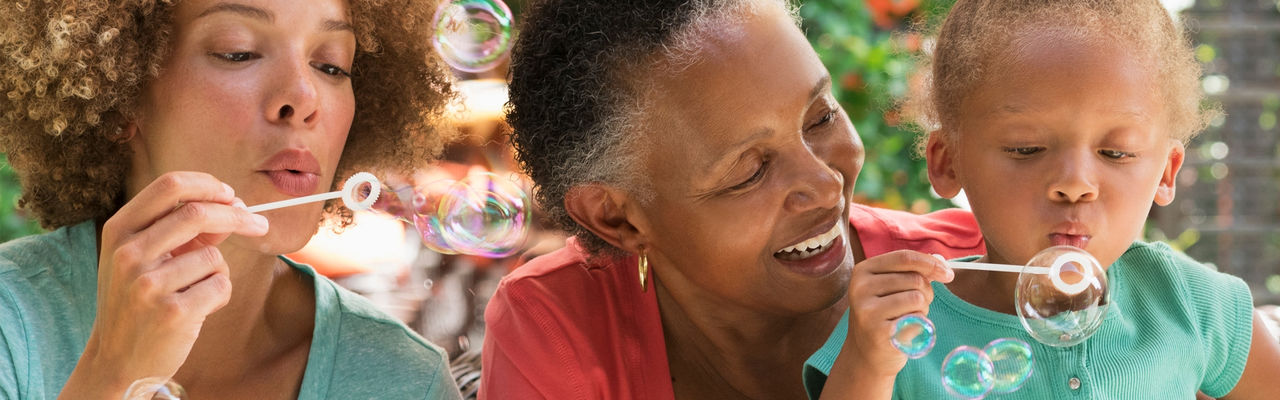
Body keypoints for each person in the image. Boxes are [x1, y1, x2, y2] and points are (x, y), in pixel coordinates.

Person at [480, 0, 981, 398]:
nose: (827, 185)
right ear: (618, 220)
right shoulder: (557, 329)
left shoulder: (980, 274)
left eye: (820, 117)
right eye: (750, 171)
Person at [804, 1, 1280, 399]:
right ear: (948, 162)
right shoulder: (897, 327)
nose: (1074, 184)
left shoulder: (1191, 304)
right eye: (1026, 149)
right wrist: (869, 363)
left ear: (1166, 170)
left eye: (1116, 152)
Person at [0, 0, 463, 398]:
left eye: (331, 65)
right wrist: (114, 375)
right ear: (119, 94)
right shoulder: (10, 324)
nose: (304, 97)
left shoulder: (404, 381)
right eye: (237, 52)